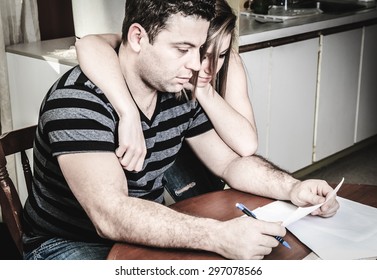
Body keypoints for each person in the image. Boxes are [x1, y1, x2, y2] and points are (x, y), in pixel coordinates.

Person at [23, 0, 339, 260]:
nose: (197, 66)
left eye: (200, 49)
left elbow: (229, 162)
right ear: (137, 38)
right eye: (182, 48)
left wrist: (293, 188)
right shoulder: (78, 100)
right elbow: (110, 214)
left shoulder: (178, 89)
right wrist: (218, 235)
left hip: (143, 225)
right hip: (67, 242)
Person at [75, 0, 258, 201]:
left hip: (211, 158)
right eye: (198, 53)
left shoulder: (226, 64)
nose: (204, 66)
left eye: (221, 54)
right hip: (174, 160)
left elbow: (247, 144)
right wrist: (128, 112)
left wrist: (203, 90)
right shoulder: (157, 44)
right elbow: (88, 44)